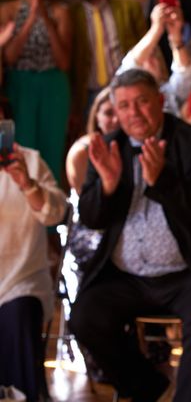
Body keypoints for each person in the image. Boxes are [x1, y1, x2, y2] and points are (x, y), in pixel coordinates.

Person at [69, 69, 191, 402]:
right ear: (115, 110)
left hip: (189, 272)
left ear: (160, 101)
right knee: (85, 317)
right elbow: (90, 217)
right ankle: (147, 388)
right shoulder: (109, 146)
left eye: (142, 102)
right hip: (125, 276)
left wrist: (162, 181)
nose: (134, 112)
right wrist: (107, 186)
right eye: (125, 105)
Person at [0, 97, 67, 401]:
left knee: (18, 315)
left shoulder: (30, 161)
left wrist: (27, 184)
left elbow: (56, 214)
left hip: (21, 282)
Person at [0, 0, 71, 182]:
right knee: (21, 146)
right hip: (20, 86)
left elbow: (63, 61)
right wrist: (30, 18)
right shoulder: (8, 11)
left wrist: (45, 17)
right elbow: (9, 58)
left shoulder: (61, 12)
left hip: (53, 85)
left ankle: (51, 213)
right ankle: (24, 209)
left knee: (52, 147)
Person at [68, 0, 146, 121]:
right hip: (89, 92)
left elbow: (146, 47)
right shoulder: (70, 15)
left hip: (126, 85)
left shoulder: (128, 8)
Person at [66, 87, 119, 194]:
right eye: (108, 113)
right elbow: (84, 198)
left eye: (120, 111)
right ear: (96, 116)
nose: (116, 119)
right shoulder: (81, 152)